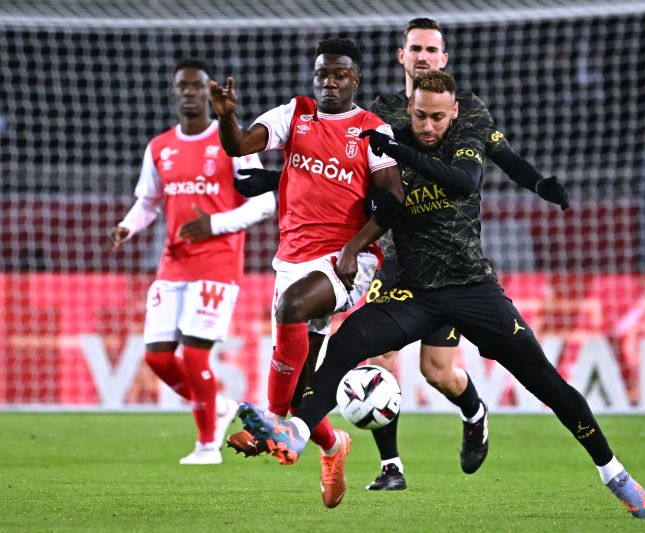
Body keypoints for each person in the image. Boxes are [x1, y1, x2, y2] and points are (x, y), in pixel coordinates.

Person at [236, 70, 645, 519]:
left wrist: (401, 151)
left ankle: (615, 474)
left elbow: (463, 182)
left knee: (545, 381)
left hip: (471, 288)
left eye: (437, 117)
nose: (427, 126)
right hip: (413, 291)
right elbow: (343, 184)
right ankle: (298, 431)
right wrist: (270, 184)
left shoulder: (463, 137)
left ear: (453, 112)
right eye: (419, 115)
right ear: (411, 107)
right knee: (346, 345)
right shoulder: (386, 140)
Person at [231, 18, 571, 492]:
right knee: (376, 362)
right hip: (393, 254)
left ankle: (473, 411)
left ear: (444, 58)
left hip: (449, 261)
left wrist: (538, 183)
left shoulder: (464, 108)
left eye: (432, 48)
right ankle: (391, 466)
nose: (424, 56)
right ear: (401, 55)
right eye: (416, 48)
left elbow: (501, 158)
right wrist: (275, 181)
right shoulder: (384, 111)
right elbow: (345, 176)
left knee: (439, 371)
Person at [210, 38, 403, 508]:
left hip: (345, 259)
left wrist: (356, 248)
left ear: (355, 78)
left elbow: (393, 202)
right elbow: (238, 145)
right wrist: (226, 115)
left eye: (339, 75)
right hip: (292, 258)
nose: (329, 82)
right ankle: (334, 446)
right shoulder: (294, 115)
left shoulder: (374, 130)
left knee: (289, 306)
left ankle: (271, 425)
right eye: (322, 75)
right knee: (303, 396)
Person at [110, 58, 276, 465]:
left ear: (208, 92)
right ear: (174, 93)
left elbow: (265, 203)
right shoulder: (160, 147)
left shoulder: (231, 142)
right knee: (158, 357)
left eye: (196, 85)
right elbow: (147, 203)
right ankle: (217, 405)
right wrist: (128, 227)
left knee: (195, 356)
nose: (189, 92)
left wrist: (213, 224)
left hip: (217, 265)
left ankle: (207, 446)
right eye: (182, 86)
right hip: (173, 264)